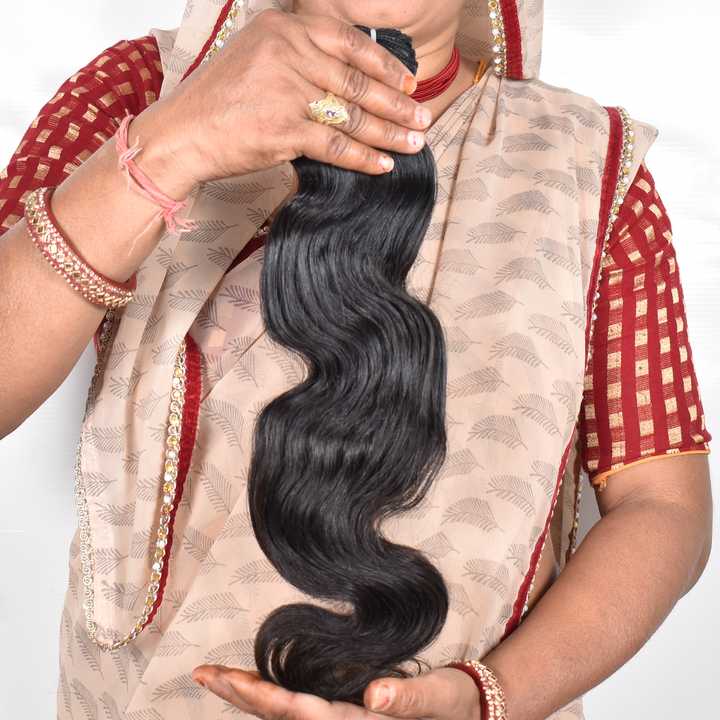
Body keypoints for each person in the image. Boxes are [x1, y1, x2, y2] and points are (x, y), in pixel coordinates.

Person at [0, 1, 713, 718]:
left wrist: (483, 699)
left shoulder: (585, 170)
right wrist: (174, 144)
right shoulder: (147, 90)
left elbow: (661, 506)